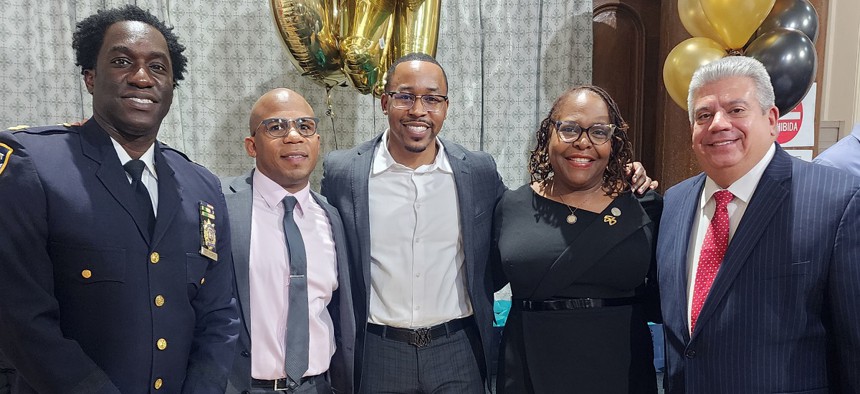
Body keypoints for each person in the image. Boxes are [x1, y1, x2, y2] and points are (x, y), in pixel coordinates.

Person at [321, 53, 656, 393]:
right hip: (378, 349)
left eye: (432, 98)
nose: (418, 109)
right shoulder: (343, 172)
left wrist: (629, 177)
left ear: (446, 106)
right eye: (405, 96)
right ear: (385, 102)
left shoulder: (478, 172)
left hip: (458, 348)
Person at [0, 5, 239, 393]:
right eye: (123, 61)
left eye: (158, 67)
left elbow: (219, 315)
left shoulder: (202, 187)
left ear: (171, 87)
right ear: (90, 77)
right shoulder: (35, 165)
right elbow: (18, 315)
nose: (142, 77)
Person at [657, 56, 860, 393]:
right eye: (703, 115)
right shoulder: (674, 203)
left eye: (736, 110)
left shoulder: (837, 200)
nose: (718, 124)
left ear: (772, 120)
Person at [491, 85, 662, 393]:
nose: (583, 143)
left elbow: (668, 295)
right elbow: (480, 280)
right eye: (569, 129)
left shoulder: (643, 205)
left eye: (599, 132)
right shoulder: (511, 206)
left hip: (622, 369)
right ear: (548, 134)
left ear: (613, 142)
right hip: (530, 368)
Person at [223, 88, 355, 394]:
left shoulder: (332, 217)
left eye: (305, 127)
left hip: (318, 387)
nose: (293, 136)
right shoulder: (220, 205)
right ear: (251, 145)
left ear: (317, 142)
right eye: (276, 127)